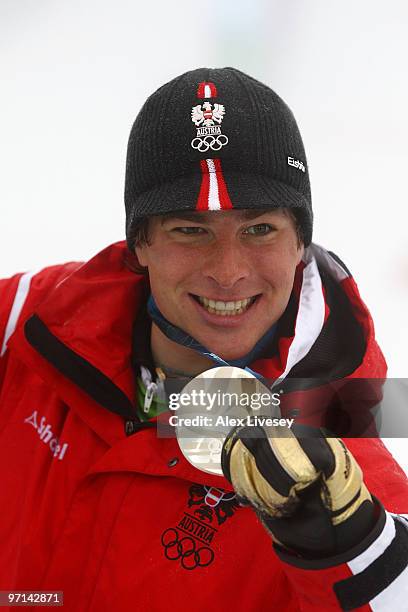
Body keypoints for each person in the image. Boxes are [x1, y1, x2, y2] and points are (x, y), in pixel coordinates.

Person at [0, 67, 407, 611]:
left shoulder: (343, 451)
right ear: (139, 244)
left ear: (301, 243)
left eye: (259, 228)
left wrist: (349, 548)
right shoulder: (35, 320)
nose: (229, 271)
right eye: (189, 230)